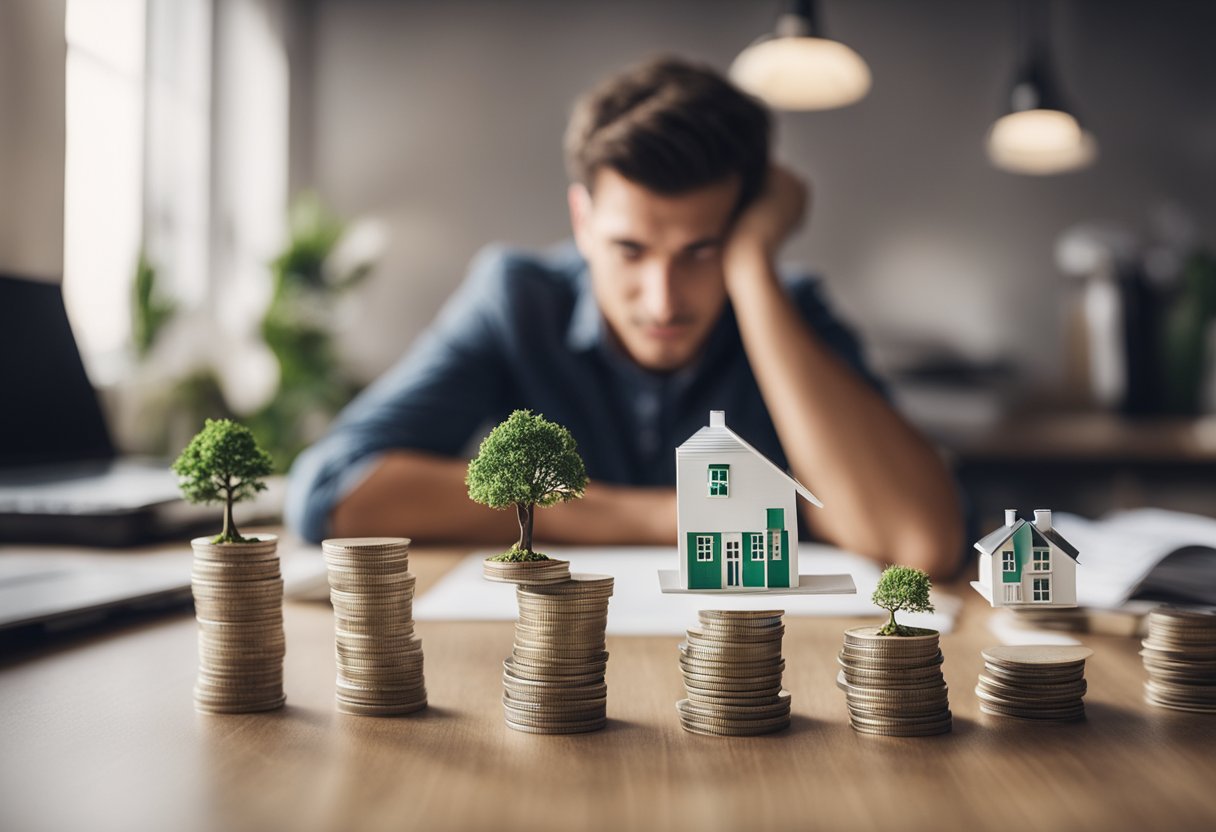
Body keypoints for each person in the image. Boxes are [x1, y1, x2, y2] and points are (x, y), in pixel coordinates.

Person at [286, 56, 963, 576]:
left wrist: (754, 267)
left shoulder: (790, 308)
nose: (663, 300)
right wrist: (681, 519)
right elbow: (330, 493)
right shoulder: (517, 300)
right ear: (582, 220)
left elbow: (919, 542)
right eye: (630, 250)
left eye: (703, 251)